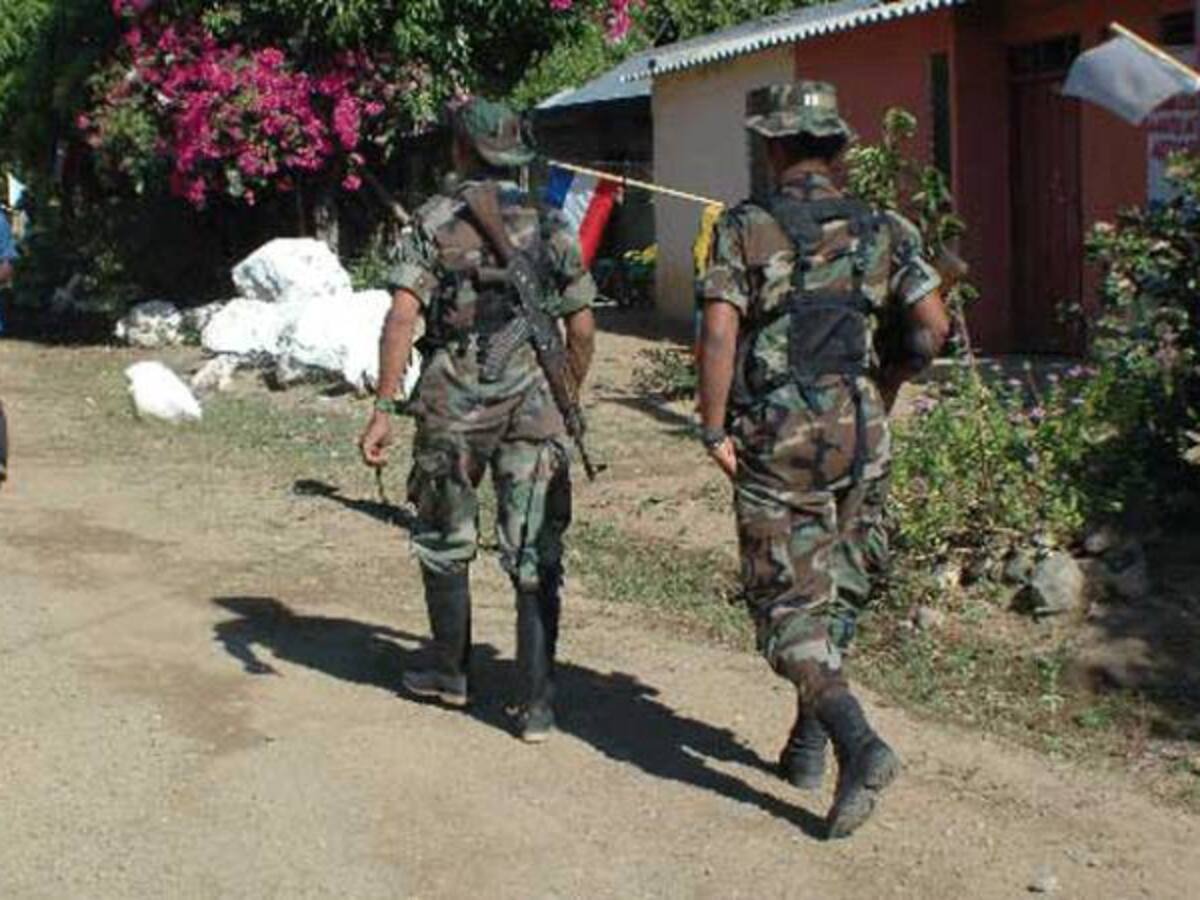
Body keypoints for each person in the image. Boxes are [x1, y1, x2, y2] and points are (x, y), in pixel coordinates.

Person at [696, 82, 950, 838]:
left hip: (783, 436)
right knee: (837, 586)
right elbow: (931, 329)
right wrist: (887, 385)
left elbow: (717, 334)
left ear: (774, 148)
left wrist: (713, 430)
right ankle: (808, 747)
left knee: (783, 605)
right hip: (863, 431)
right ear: (839, 149)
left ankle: (860, 744)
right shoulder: (887, 227)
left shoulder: (747, 226)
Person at [358, 98, 597, 743]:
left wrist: (383, 407)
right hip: (534, 401)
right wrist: (565, 392)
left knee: (445, 539)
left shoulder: (434, 221)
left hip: (453, 398)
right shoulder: (551, 223)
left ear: (460, 150)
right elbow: (581, 325)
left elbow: (403, 317)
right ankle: (538, 704)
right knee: (535, 551)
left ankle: (450, 673)